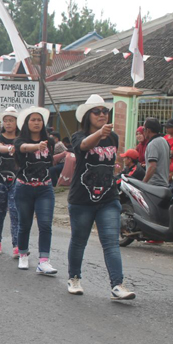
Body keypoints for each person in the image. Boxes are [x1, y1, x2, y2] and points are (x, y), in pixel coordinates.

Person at [67, 95, 136, 300]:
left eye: (105, 111)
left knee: (111, 243)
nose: (102, 115)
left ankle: (117, 284)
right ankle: (74, 278)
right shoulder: (77, 136)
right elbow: (85, 146)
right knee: (79, 241)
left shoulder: (112, 137)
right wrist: (98, 134)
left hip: (108, 198)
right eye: (97, 112)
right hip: (82, 200)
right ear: (88, 115)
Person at [14, 106, 58, 274]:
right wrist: (36, 147)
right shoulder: (19, 141)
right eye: (33, 119)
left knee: (45, 224)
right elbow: (23, 148)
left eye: (39, 120)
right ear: (26, 123)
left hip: (45, 188)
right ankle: (23, 254)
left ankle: (44, 261)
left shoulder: (50, 142)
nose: (36, 123)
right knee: (24, 224)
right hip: (24, 188)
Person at [0, 107, 20, 257]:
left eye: (11, 120)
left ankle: (16, 245)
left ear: (17, 122)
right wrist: (10, 148)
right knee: (0, 212)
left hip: (17, 179)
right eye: (6, 120)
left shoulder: (21, 138)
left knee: (15, 211)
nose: (8, 123)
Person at [142, 118, 170, 187]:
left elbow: (152, 166)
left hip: (155, 185)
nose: (143, 132)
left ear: (148, 130)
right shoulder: (164, 141)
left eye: (144, 129)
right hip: (164, 183)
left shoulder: (153, 144)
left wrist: (143, 184)